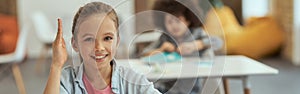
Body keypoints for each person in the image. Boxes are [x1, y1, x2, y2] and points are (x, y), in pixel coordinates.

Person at [44, 2, 161, 94]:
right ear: (75, 44)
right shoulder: (65, 80)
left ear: (117, 41)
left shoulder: (132, 80)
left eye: (107, 38)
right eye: (89, 39)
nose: (99, 48)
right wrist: (56, 64)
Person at [142, 0, 210, 93]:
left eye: (178, 20)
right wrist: (160, 49)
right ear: (163, 24)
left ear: (188, 20)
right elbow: (144, 54)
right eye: (170, 22)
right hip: (165, 88)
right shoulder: (164, 38)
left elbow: (218, 42)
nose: (174, 25)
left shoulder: (196, 33)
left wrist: (196, 45)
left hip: (191, 89)